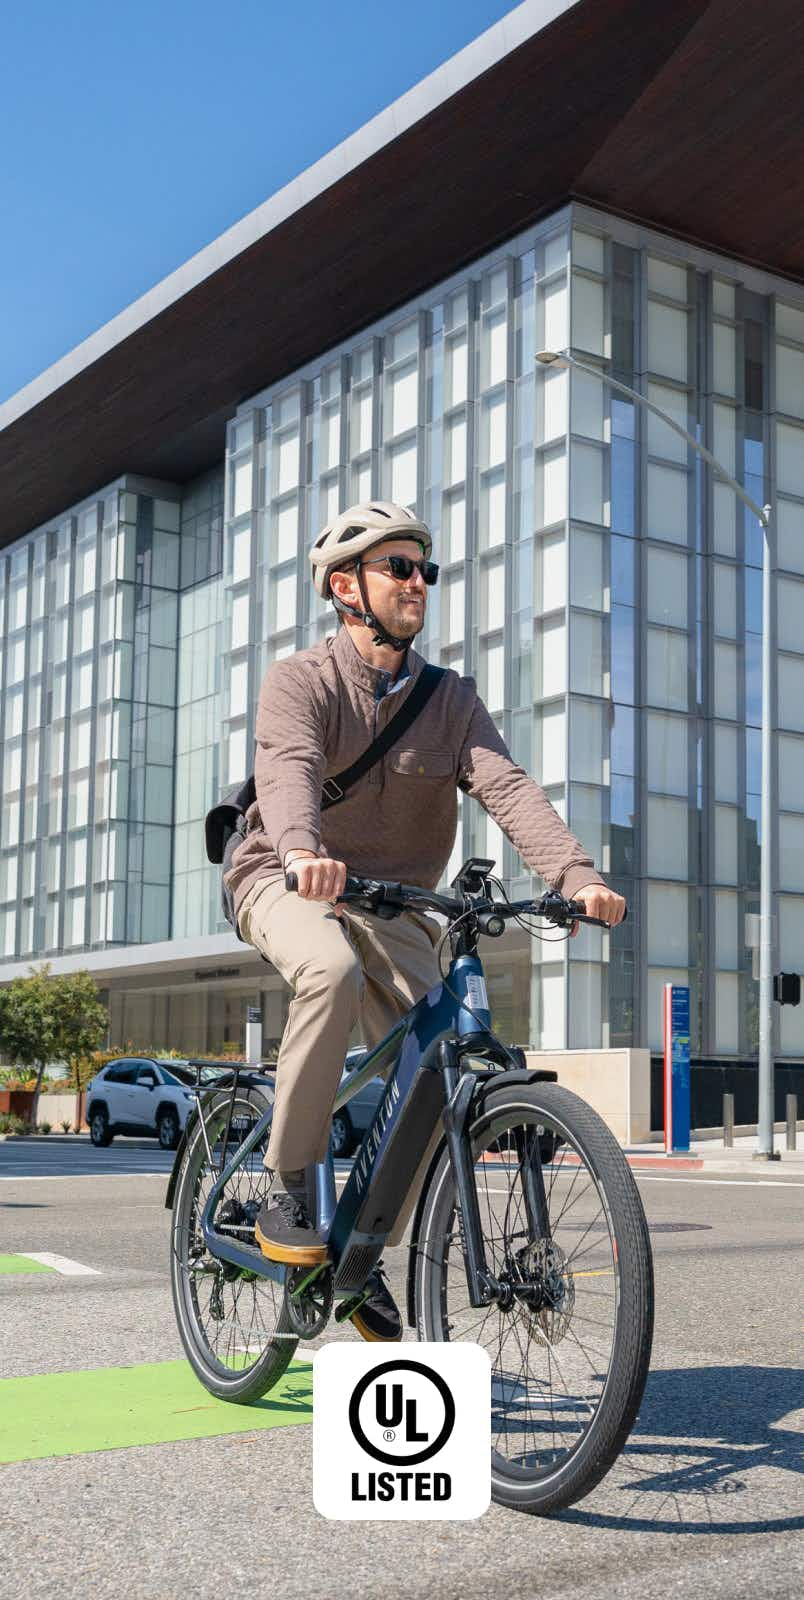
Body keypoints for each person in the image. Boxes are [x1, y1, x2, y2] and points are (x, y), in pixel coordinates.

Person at [224, 501, 626, 1340]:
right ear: (346, 586)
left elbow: (508, 787)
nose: (419, 583)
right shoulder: (300, 681)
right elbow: (289, 769)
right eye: (399, 567)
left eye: (425, 570)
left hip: (399, 900)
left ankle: (362, 1253)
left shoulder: (450, 700)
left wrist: (575, 875)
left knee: (448, 1057)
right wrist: (301, 851)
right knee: (327, 973)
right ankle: (289, 1184)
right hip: (285, 878)